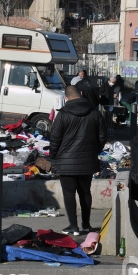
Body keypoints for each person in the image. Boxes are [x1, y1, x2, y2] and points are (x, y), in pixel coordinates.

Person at [49, 86, 107, 235]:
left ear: (66, 98)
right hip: (87, 161)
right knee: (85, 192)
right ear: (81, 94)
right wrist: (94, 152)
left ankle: (73, 226)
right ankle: (86, 224)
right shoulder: (95, 112)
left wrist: (54, 157)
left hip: (66, 162)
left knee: (69, 193)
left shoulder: (62, 114)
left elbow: (55, 139)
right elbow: (102, 136)